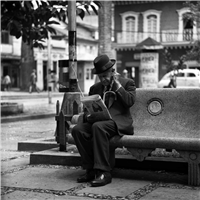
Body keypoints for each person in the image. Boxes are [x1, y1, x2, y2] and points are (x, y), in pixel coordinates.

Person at [71, 54, 136, 187]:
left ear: (113, 72)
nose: (103, 79)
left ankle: (104, 172)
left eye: (105, 75)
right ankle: (90, 169)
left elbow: (129, 102)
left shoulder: (127, 83)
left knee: (98, 127)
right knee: (77, 130)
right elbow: (88, 110)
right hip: (99, 122)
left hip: (118, 123)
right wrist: (89, 114)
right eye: (100, 76)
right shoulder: (95, 88)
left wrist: (117, 87)